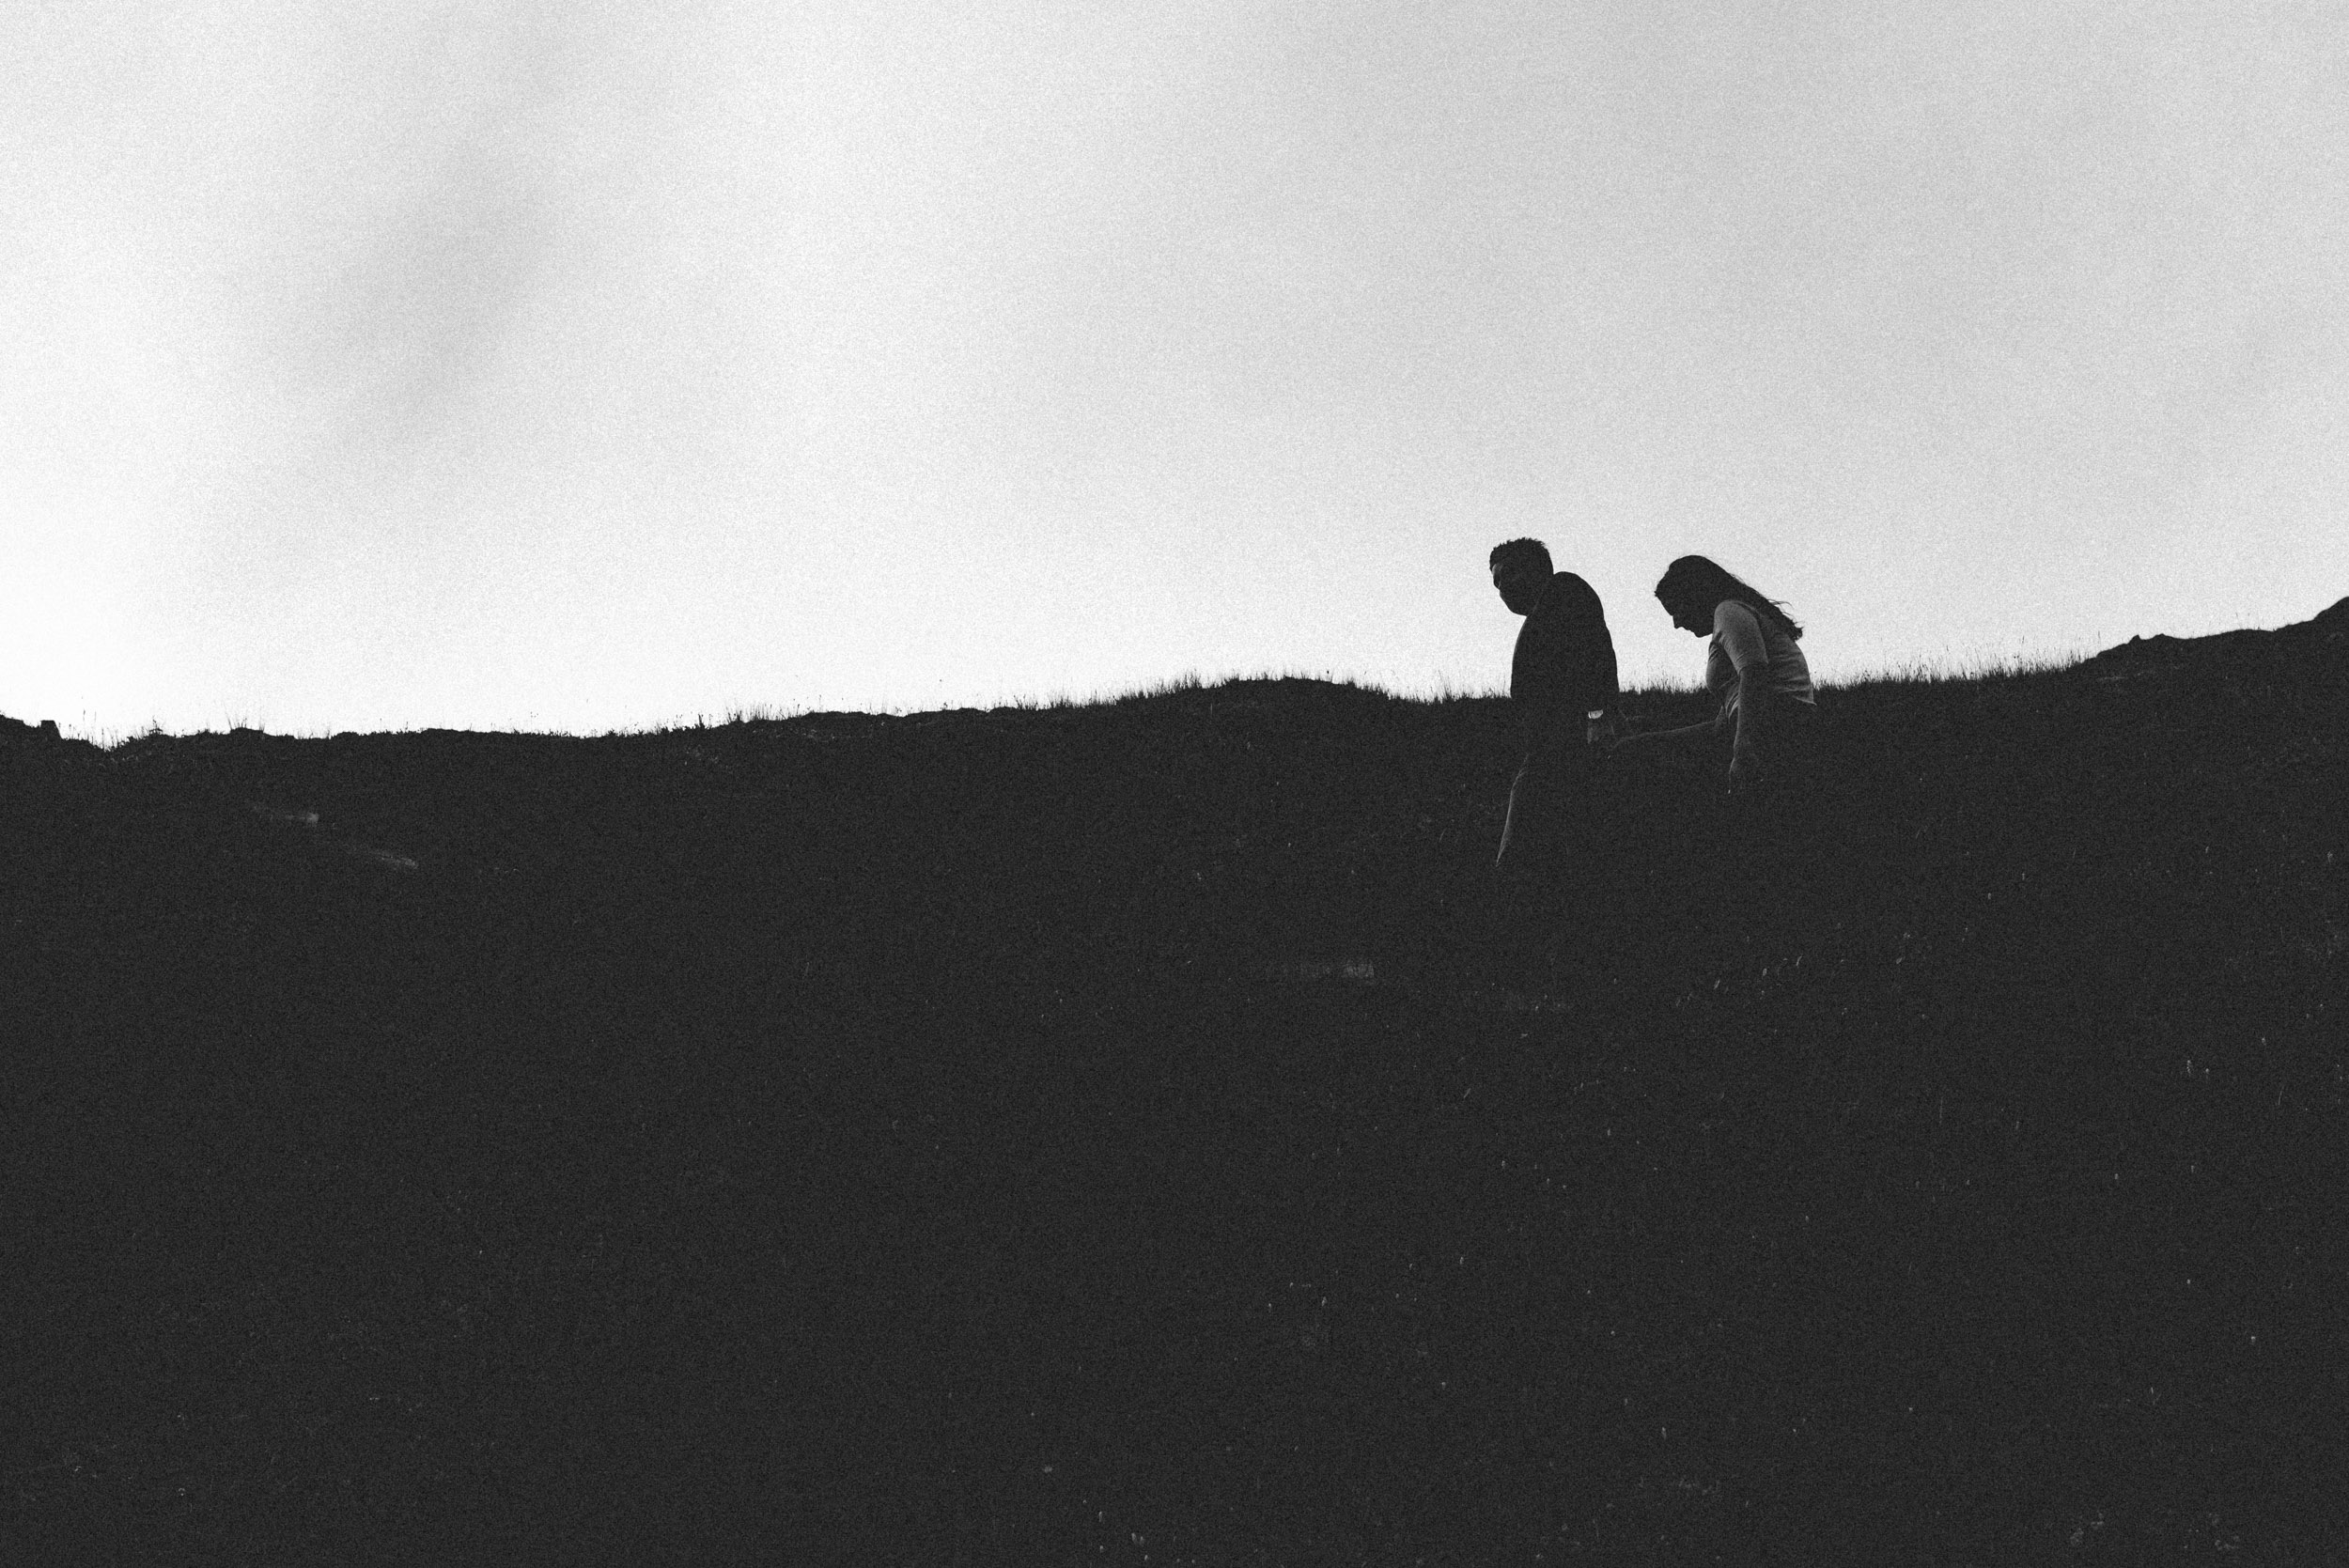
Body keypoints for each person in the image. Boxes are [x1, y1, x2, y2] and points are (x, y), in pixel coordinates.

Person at [1610, 554, 1814, 793]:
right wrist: (1650, 738)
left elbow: (1755, 673)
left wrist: (1743, 752)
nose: (1676, 623)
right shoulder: (1728, 619)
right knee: (1636, 750)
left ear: (1694, 596)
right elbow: (1721, 726)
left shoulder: (1728, 612)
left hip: (1776, 726)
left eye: (1676, 609)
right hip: (1771, 724)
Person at [1487, 538, 1621, 882]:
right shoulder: (1543, 612)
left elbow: (1595, 656)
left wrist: (1597, 718)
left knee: (1520, 855)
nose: (1503, 588)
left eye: (1510, 574)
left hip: (1569, 743)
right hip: (1549, 749)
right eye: (1497, 582)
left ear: (1538, 568)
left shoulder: (1564, 590)